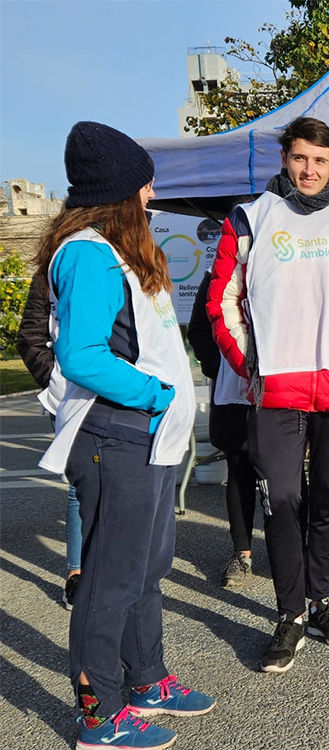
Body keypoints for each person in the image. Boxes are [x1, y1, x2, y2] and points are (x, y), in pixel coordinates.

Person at [36, 121, 214, 750]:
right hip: (115, 434)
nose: (152, 195)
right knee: (111, 577)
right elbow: (83, 355)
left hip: (147, 437)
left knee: (147, 565)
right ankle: (98, 713)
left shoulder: (119, 252)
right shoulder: (88, 251)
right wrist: (156, 395)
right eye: (145, 184)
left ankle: (146, 679)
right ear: (122, 192)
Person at [207, 116, 329, 673]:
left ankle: (321, 603)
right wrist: (251, 367)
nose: (309, 170)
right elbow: (222, 302)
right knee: (283, 500)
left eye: (320, 160)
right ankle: (288, 614)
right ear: (285, 159)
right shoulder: (250, 218)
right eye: (300, 158)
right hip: (277, 390)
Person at [186, 271, 261, 589]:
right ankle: (242, 553)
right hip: (234, 394)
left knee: (287, 478)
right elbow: (199, 330)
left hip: (281, 389)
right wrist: (222, 368)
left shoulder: (286, 255)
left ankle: (294, 549)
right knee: (239, 470)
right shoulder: (219, 271)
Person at [16, 275, 83, 609]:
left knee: (119, 485)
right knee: (78, 487)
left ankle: (112, 570)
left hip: (116, 392)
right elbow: (29, 337)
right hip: (67, 397)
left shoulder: (121, 260)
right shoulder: (50, 272)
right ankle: (76, 575)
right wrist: (54, 381)